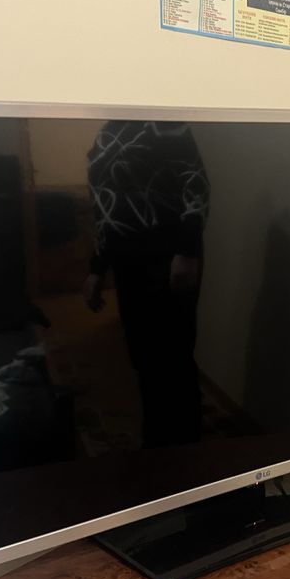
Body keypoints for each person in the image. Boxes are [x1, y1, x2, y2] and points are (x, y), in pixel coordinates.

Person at [84, 121, 210, 449]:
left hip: (167, 259)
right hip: (128, 264)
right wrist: (97, 268)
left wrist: (187, 251)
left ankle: (187, 447)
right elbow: (103, 207)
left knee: (174, 356)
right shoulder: (106, 135)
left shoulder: (163, 122)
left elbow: (195, 183)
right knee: (143, 356)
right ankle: (156, 440)